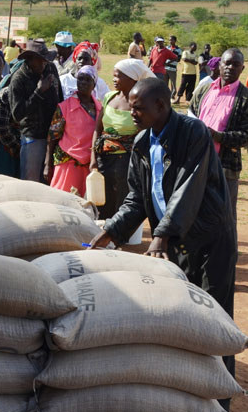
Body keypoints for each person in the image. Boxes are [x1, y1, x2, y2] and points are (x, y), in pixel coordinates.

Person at [89, 77, 238, 386]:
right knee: (182, 315)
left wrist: (161, 235)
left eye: (138, 108)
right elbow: (136, 199)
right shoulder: (143, 142)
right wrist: (111, 232)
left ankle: (218, 398)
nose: (132, 114)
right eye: (131, 108)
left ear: (161, 105)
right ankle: (188, 388)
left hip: (209, 240)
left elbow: (189, 188)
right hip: (174, 241)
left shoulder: (192, 133)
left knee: (214, 317)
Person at [188, 48, 248, 222]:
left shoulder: (247, 98)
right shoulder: (204, 90)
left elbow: (246, 136)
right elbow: (190, 117)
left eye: (236, 64)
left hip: (225, 165)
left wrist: (217, 136)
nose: (230, 68)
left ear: (242, 69)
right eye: (227, 63)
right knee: (193, 209)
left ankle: (225, 250)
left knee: (223, 213)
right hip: (196, 161)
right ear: (219, 65)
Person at [92, 59, 151, 219]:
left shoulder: (139, 105)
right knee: (104, 199)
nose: (114, 80)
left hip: (127, 161)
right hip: (104, 157)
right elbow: (98, 130)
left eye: (118, 77)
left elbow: (144, 135)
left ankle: (119, 236)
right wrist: (93, 158)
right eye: (113, 76)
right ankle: (103, 232)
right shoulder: (109, 97)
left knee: (123, 199)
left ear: (132, 80)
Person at [46, 65, 101, 196]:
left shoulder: (100, 108)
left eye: (88, 80)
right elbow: (52, 137)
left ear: (94, 84)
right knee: (63, 202)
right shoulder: (64, 107)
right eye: (80, 79)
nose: (83, 83)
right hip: (67, 164)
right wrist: (47, 164)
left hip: (89, 166)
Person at [10, 50, 63, 183]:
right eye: (40, 60)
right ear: (29, 59)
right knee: (31, 183)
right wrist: (38, 92)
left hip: (54, 136)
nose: (44, 63)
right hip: (33, 138)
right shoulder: (18, 79)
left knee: (51, 182)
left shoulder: (50, 68)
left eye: (46, 59)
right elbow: (17, 114)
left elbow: (60, 96)